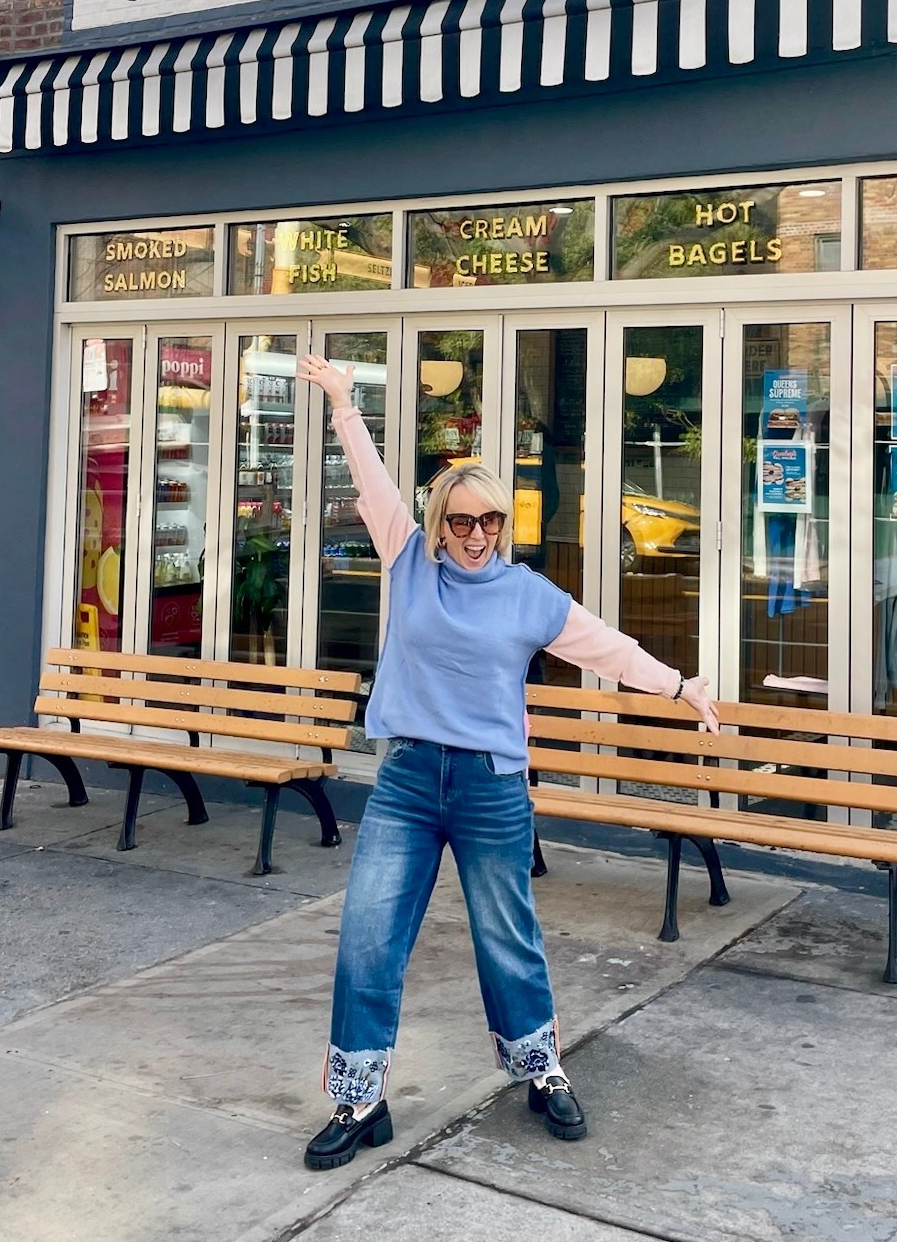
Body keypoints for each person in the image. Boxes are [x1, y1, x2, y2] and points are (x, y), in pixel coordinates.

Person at [297, 352, 720, 1170]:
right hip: (407, 779)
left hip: (491, 786)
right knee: (368, 935)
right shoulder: (408, 559)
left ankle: (540, 1067)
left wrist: (678, 685)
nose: (476, 534)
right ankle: (360, 1097)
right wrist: (344, 403)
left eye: (490, 520)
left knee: (507, 935)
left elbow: (606, 646)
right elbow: (373, 479)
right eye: (461, 521)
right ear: (438, 522)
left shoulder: (528, 593)